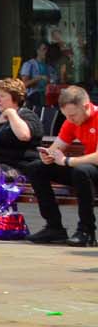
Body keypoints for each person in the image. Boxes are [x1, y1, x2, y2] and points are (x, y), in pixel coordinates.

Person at [25, 84, 98, 246]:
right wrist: (48, 156)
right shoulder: (71, 121)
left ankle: (86, 231)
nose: (70, 120)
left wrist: (67, 161)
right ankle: (54, 227)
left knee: (81, 171)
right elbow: (57, 147)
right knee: (36, 168)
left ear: (86, 106)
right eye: (66, 116)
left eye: (73, 115)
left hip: (90, 171)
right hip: (85, 172)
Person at [22, 43, 57, 109]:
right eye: (43, 49)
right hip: (33, 96)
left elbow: (54, 82)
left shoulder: (50, 67)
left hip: (48, 96)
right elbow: (24, 84)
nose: (46, 52)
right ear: (38, 51)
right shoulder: (29, 64)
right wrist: (38, 78)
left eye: (47, 50)